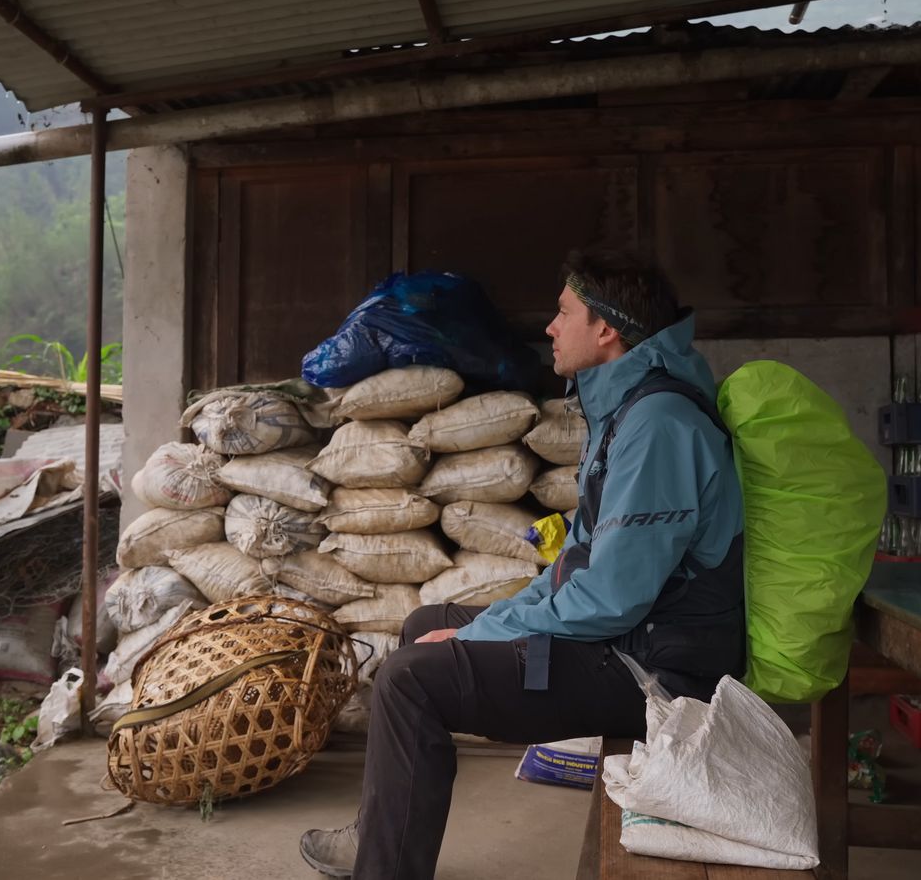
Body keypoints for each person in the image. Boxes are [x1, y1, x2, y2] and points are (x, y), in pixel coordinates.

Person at [300, 247, 746, 879]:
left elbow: (613, 598)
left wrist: (480, 632)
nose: (550, 328)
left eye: (564, 313)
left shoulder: (658, 425)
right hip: (628, 643)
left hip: (655, 673)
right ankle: (384, 837)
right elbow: (576, 567)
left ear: (607, 329)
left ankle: (384, 870)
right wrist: (491, 620)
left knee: (409, 678)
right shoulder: (627, 410)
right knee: (422, 622)